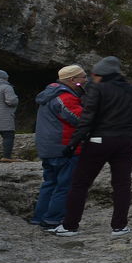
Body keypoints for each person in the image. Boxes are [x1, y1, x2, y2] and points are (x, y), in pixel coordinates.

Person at [51, 56, 132, 237]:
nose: (92, 78)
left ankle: (70, 226)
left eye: (94, 74)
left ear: (100, 74)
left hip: (98, 141)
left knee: (80, 183)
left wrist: (74, 143)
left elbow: (87, 119)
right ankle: (119, 227)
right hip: (126, 142)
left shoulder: (98, 89)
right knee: (122, 184)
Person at [31, 65, 86, 229]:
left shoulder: (49, 94)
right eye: (82, 77)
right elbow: (78, 118)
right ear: (72, 80)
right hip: (63, 148)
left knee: (50, 183)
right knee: (64, 186)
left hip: (48, 148)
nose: (85, 80)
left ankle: (39, 217)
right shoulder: (65, 96)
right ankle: (53, 219)